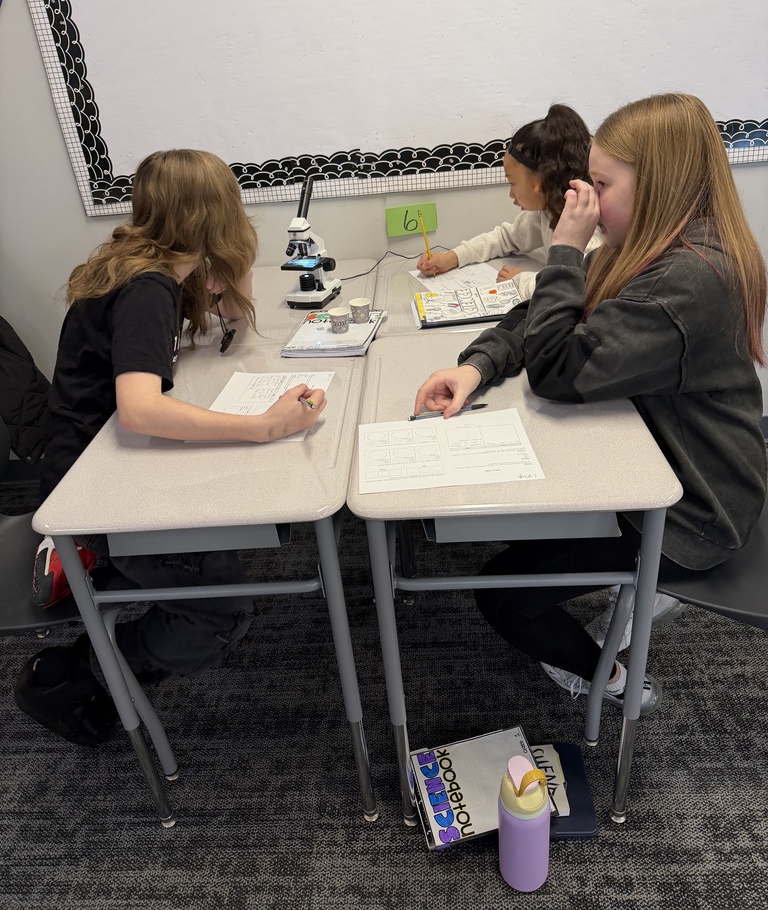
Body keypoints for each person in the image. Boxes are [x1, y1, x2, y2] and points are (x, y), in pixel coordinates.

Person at [413, 93, 767, 713]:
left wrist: (566, 250)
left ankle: (612, 682)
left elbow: (554, 367)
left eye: (599, 184)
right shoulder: (650, 244)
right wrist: (476, 366)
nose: (585, 199)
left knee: (501, 596)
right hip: (658, 459)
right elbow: (538, 314)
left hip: (695, 509)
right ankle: (633, 594)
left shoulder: (685, 279)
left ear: (656, 185)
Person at [15, 149, 327, 746]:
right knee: (221, 612)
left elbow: (234, 321)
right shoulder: (148, 288)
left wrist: (233, 267)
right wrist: (264, 425)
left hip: (99, 464)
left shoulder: (146, 264)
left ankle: (109, 648)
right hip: (92, 491)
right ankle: (91, 673)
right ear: (218, 216)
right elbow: (139, 410)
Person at [416, 104, 602, 296]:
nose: (511, 194)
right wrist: (452, 257)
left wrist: (520, 279)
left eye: (512, 183)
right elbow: (506, 237)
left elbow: (580, 287)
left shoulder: (587, 232)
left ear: (538, 182)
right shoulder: (548, 213)